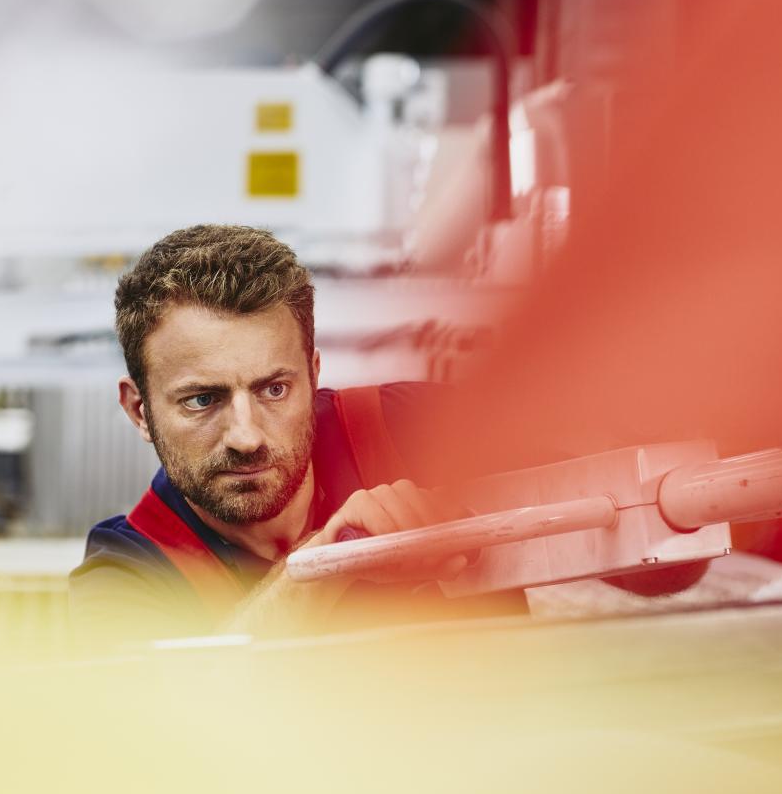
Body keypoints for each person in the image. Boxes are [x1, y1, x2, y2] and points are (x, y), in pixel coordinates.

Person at [69, 224, 488, 646]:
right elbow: (168, 705)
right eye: (201, 400)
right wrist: (320, 563)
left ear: (314, 376)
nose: (246, 437)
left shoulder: (409, 427)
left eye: (274, 390)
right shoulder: (126, 577)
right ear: (139, 411)